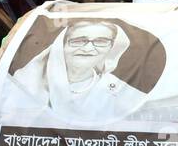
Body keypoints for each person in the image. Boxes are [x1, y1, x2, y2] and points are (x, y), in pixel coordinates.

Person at [9, 20, 148, 122]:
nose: (88, 49)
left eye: (101, 41)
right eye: (79, 41)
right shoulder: (26, 80)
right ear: (62, 45)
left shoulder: (118, 90)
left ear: (111, 47)